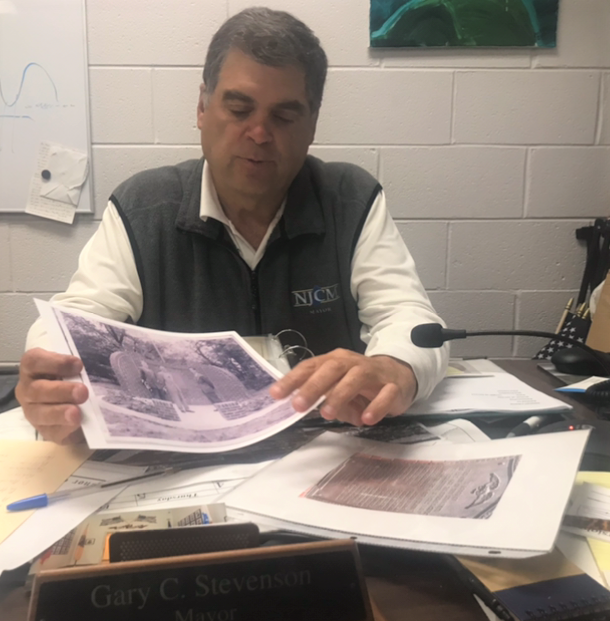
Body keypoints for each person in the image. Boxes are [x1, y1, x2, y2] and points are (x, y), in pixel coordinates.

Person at [16, 7, 448, 444]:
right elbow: (77, 320)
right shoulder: (143, 207)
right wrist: (51, 377)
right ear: (203, 106)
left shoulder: (350, 199)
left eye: (283, 117)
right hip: (182, 474)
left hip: (326, 457)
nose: (259, 133)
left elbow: (409, 318)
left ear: (313, 122)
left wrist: (397, 368)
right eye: (239, 109)